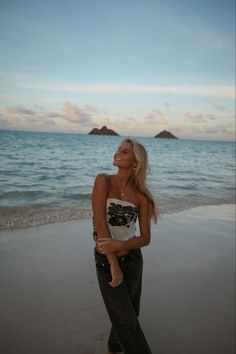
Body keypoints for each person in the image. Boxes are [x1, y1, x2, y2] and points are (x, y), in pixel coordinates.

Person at [92, 138, 158, 354]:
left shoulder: (142, 197)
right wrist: (113, 262)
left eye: (125, 152)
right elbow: (100, 224)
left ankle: (113, 348)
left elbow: (145, 239)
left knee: (130, 313)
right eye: (118, 149)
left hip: (133, 261)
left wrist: (119, 244)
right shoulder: (103, 181)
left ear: (136, 162)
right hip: (106, 262)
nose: (118, 153)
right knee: (127, 321)